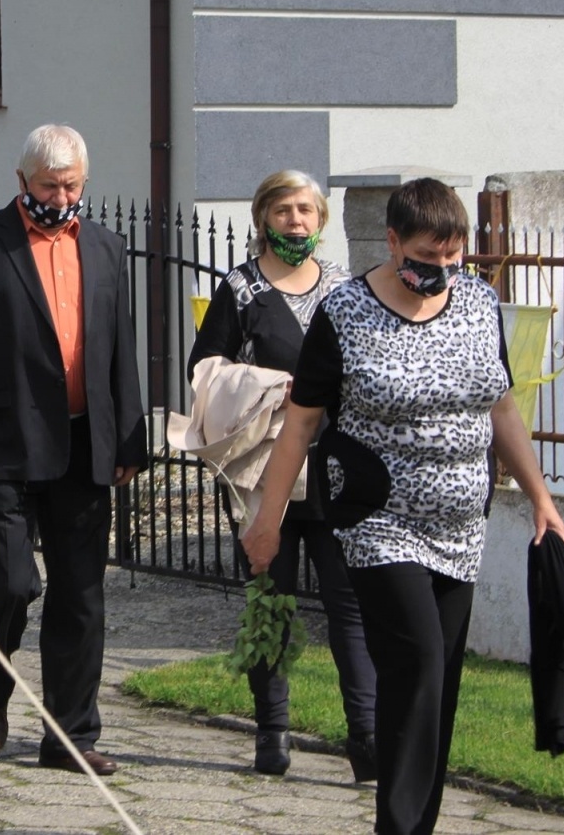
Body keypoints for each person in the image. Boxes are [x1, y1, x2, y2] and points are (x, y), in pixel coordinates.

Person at [243, 177, 564, 835]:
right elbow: (301, 426)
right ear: (392, 243)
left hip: (459, 527)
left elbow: (501, 405)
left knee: (433, 681)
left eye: (453, 260)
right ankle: (400, 825)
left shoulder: (479, 303)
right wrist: (266, 523)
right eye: (426, 259)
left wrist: (541, 498)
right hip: (379, 523)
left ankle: (410, 819)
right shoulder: (346, 313)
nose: (441, 272)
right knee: (417, 658)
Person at [0, 123, 147, 777]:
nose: (61, 195)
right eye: (49, 184)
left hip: (82, 445)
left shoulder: (105, 246)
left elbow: (119, 347)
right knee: (13, 583)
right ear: (22, 181)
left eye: (72, 185)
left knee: (80, 595)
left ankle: (70, 737)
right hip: (3, 443)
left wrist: (132, 437)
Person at [187, 170, 376, 779]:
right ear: (262, 217)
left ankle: (367, 739)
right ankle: (272, 735)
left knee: (350, 607)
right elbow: (204, 372)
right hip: (263, 475)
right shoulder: (240, 290)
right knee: (271, 598)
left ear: (321, 220)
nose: (296, 221)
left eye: (306, 211)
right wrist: (271, 385)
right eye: (283, 210)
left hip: (335, 472)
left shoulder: (346, 290)